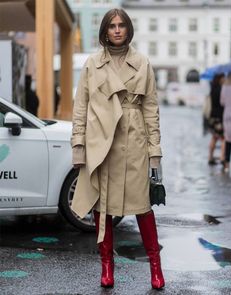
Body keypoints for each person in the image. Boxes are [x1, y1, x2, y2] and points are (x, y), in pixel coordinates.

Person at [71, 8, 165, 290]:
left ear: (128, 29)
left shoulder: (142, 63)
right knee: (102, 207)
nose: (117, 30)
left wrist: (155, 152)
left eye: (121, 25)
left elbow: (151, 109)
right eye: (111, 25)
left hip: (134, 139)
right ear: (104, 31)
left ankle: (156, 267)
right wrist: (79, 145)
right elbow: (81, 108)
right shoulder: (91, 64)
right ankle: (107, 266)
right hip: (102, 142)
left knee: (143, 207)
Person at [220, 71, 231, 172]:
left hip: (227, 116)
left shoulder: (225, 87)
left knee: (228, 140)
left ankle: (227, 164)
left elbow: (222, 102)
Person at [208, 74, 225, 165]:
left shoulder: (212, 89)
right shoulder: (221, 90)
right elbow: (223, 103)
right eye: (223, 78)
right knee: (223, 138)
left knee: (214, 137)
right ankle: (222, 157)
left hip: (213, 116)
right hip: (219, 117)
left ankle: (210, 157)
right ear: (219, 79)